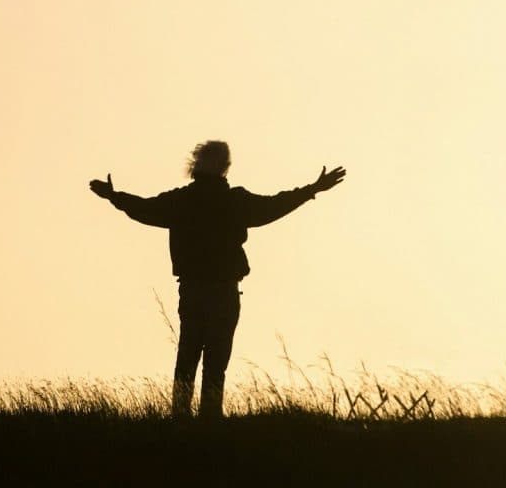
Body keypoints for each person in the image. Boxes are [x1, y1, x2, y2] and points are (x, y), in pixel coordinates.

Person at [89, 141, 345, 418]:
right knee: (215, 359)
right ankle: (209, 418)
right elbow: (275, 205)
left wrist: (114, 197)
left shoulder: (183, 201)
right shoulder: (234, 201)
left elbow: (144, 208)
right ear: (225, 166)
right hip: (222, 291)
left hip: (194, 289)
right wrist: (312, 190)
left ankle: (181, 417)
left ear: (195, 165)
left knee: (188, 355)